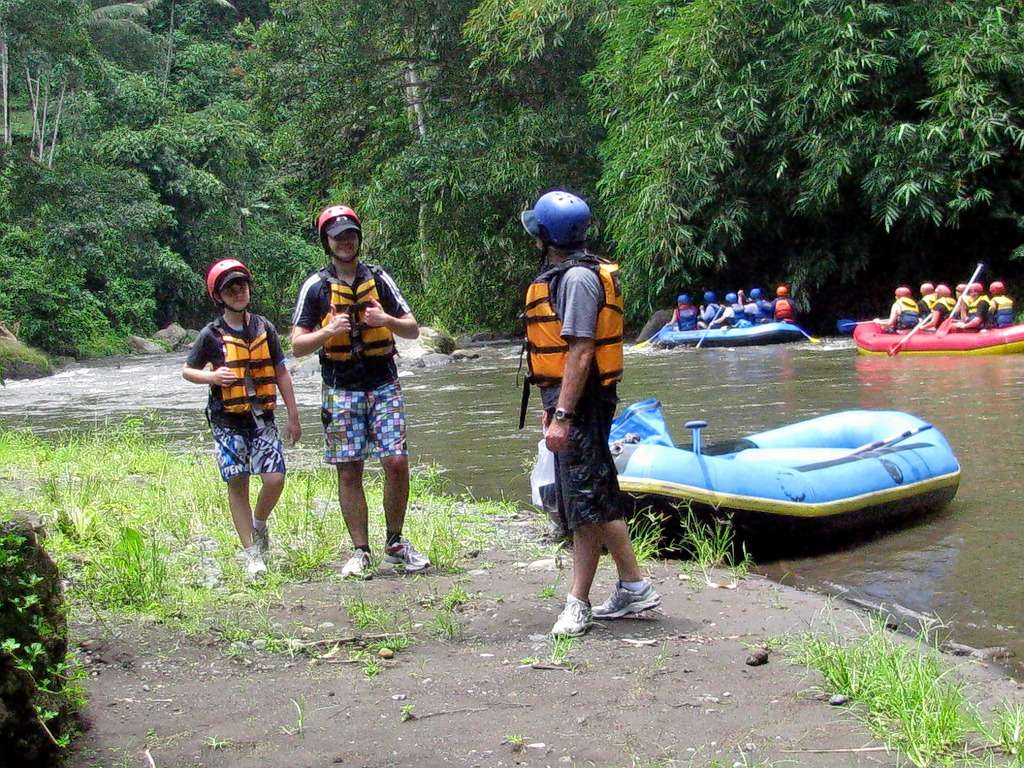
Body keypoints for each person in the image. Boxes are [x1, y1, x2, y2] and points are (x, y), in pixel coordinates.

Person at [520, 190, 661, 637]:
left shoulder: (577, 281)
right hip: (572, 400)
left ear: (547, 237)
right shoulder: (573, 274)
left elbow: (580, 352)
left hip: (579, 404)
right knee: (598, 491)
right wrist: (553, 407)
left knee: (582, 503)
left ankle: (577, 603)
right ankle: (634, 585)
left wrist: (562, 414)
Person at [291, 204, 428, 578]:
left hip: (383, 382)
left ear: (358, 238)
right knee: (349, 470)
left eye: (350, 235)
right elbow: (298, 346)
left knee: (396, 461)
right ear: (327, 242)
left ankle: (396, 543)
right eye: (338, 237)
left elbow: (413, 328)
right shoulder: (316, 287)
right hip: (341, 387)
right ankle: (360, 550)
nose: (346, 242)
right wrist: (327, 333)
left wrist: (385, 320)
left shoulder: (379, 278)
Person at [182, 259, 301, 581]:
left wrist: (293, 415)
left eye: (242, 286)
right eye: (230, 288)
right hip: (227, 420)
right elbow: (187, 371)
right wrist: (212, 377)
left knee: (274, 478)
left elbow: (280, 372)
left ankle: (259, 524)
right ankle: (252, 556)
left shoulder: (265, 328)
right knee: (238, 483)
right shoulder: (211, 334)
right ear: (218, 296)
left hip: (262, 417)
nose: (238, 292)